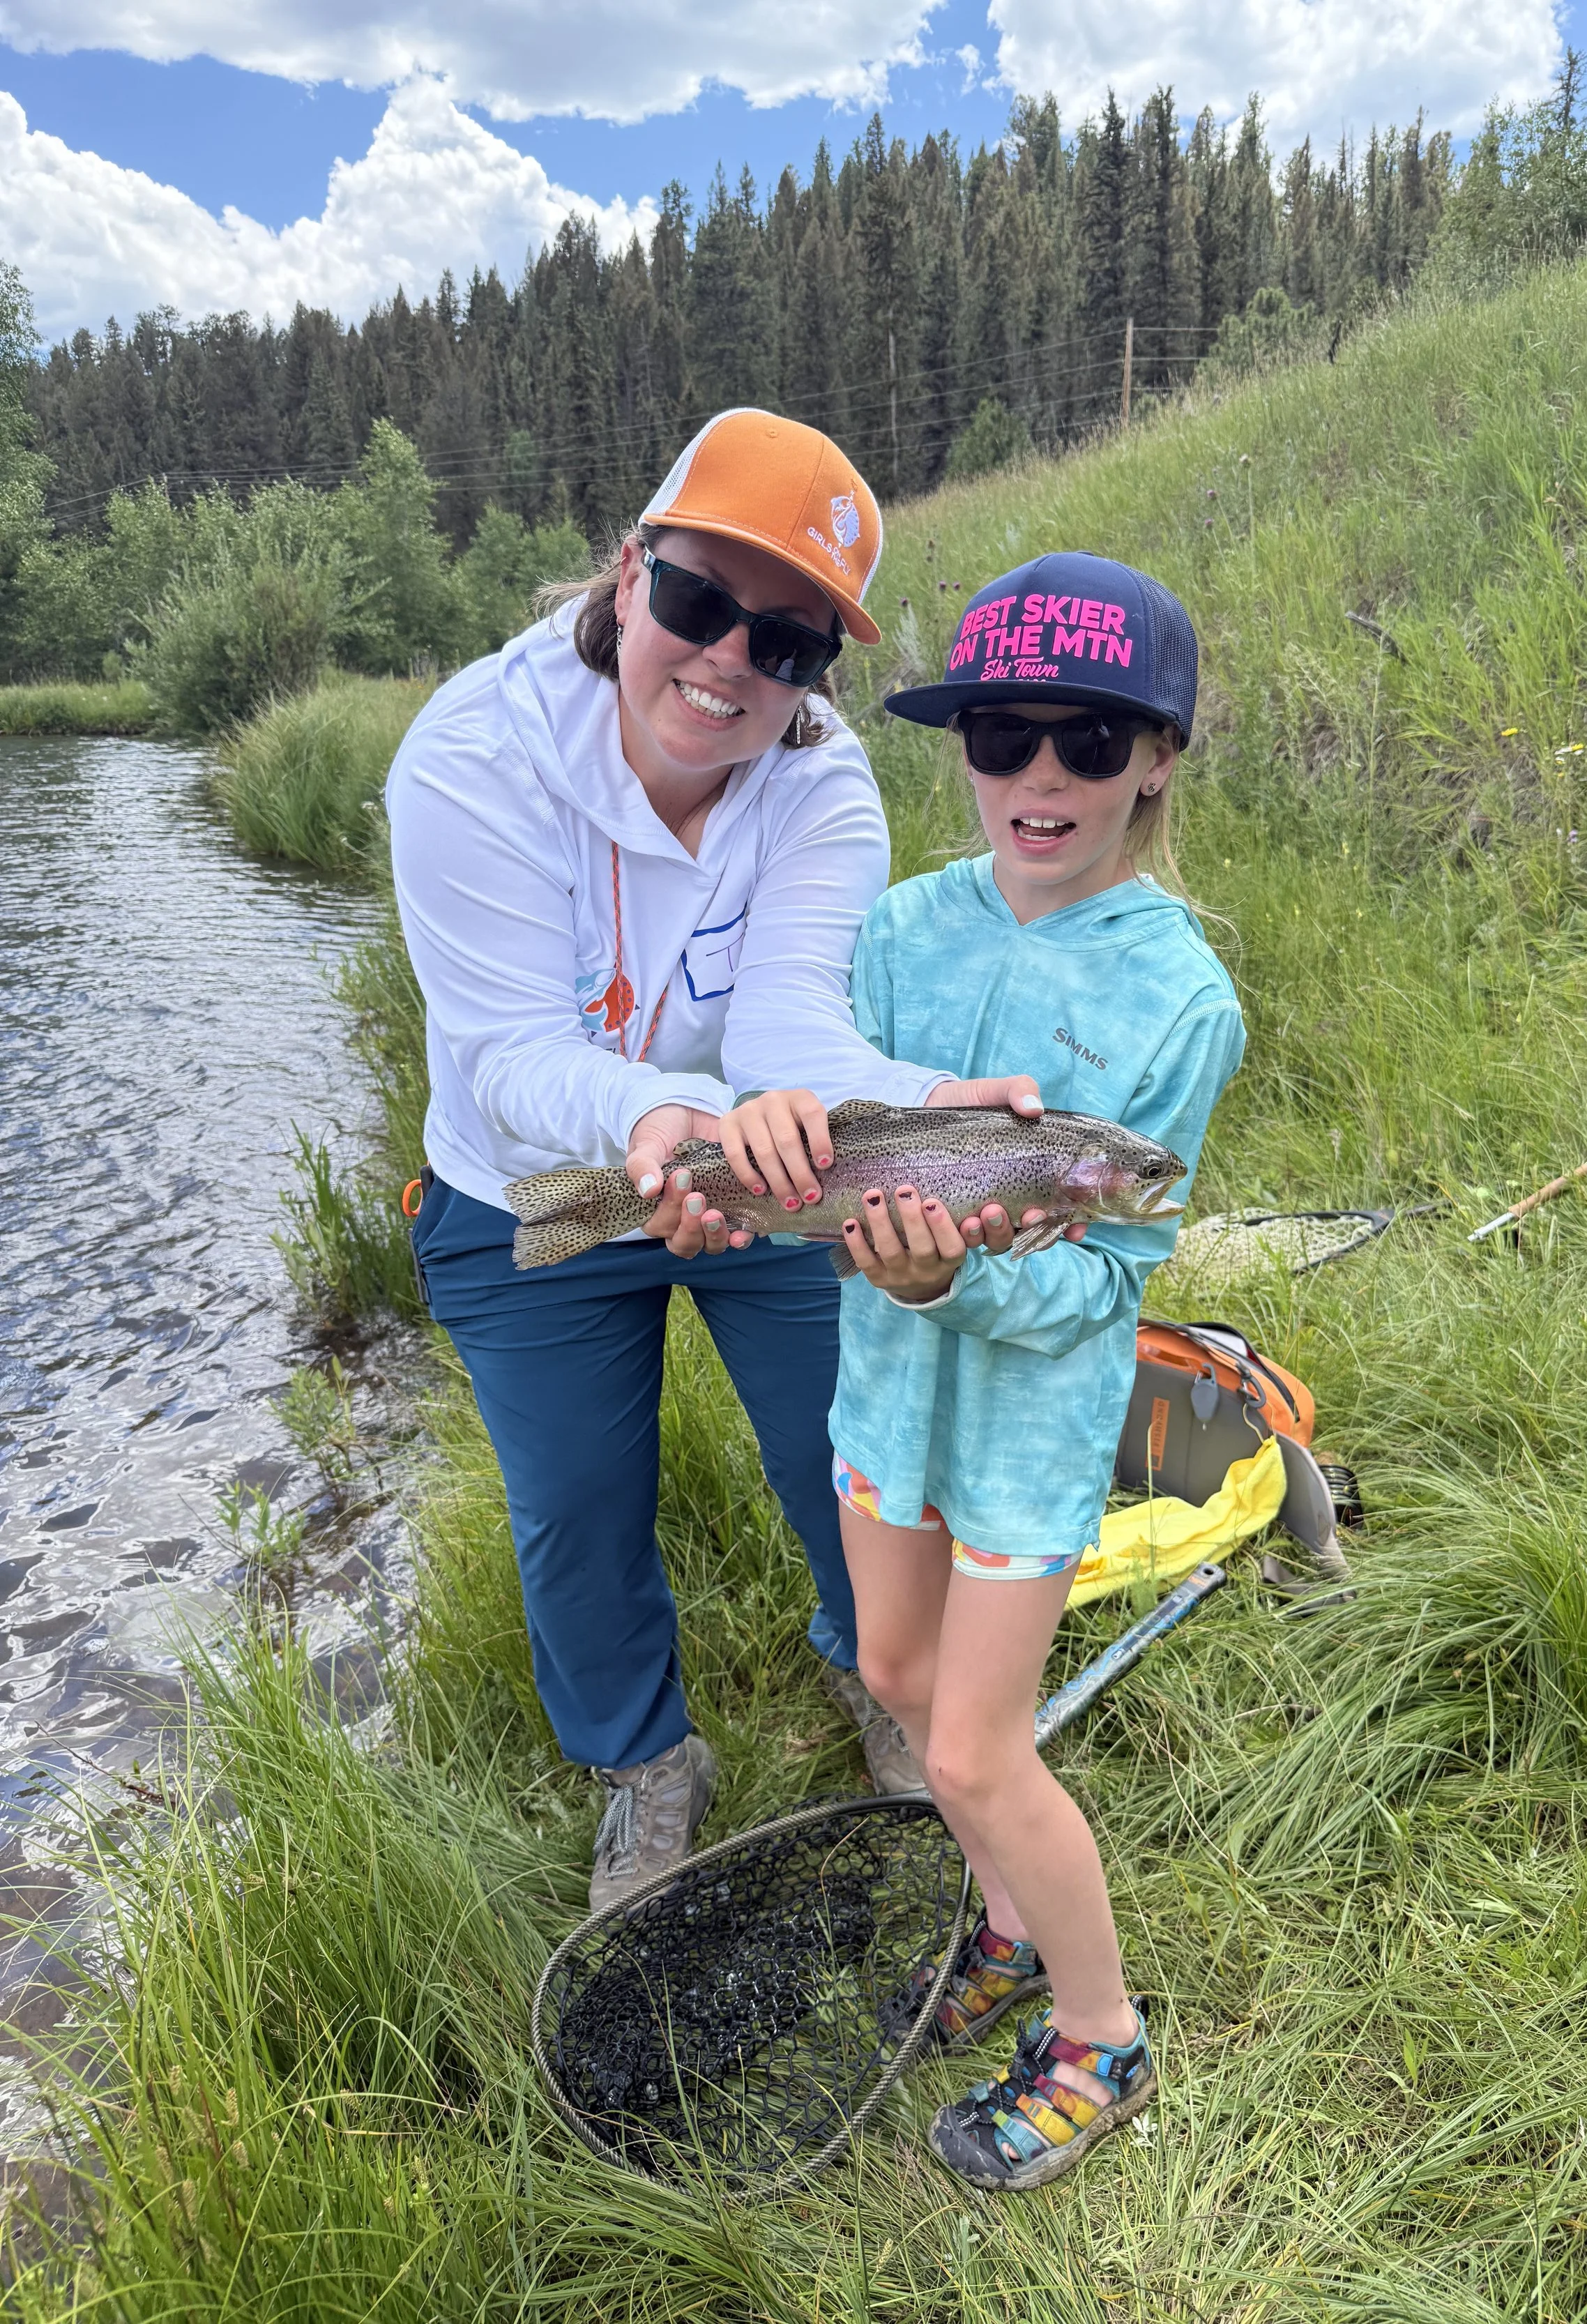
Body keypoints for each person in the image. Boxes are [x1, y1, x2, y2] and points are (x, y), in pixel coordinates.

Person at [386, 410, 1042, 1910]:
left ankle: (881, 1673)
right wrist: (655, 1122)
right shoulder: (470, 754)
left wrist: (939, 1107)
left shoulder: (821, 786)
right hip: (528, 1187)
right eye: (698, 602)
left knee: (852, 1448)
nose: (730, 661)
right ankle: (643, 1766)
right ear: (628, 576)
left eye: (791, 644)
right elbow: (504, 1053)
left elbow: (792, 1033)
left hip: (755, 1174)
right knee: (573, 1509)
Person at [827, 552, 1246, 2189]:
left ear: (1155, 757)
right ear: (964, 750)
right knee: (896, 1670)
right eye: (1003, 736)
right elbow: (825, 1133)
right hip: (882, 1394)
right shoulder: (891, 927)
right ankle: (999, 1912)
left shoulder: (1177, 1000)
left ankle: (1099, 2031)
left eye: (1090, 740)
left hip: (1022, 1428)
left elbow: (1099, 1288)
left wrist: (955, 1289)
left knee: (973, 1748)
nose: (1042, 777)